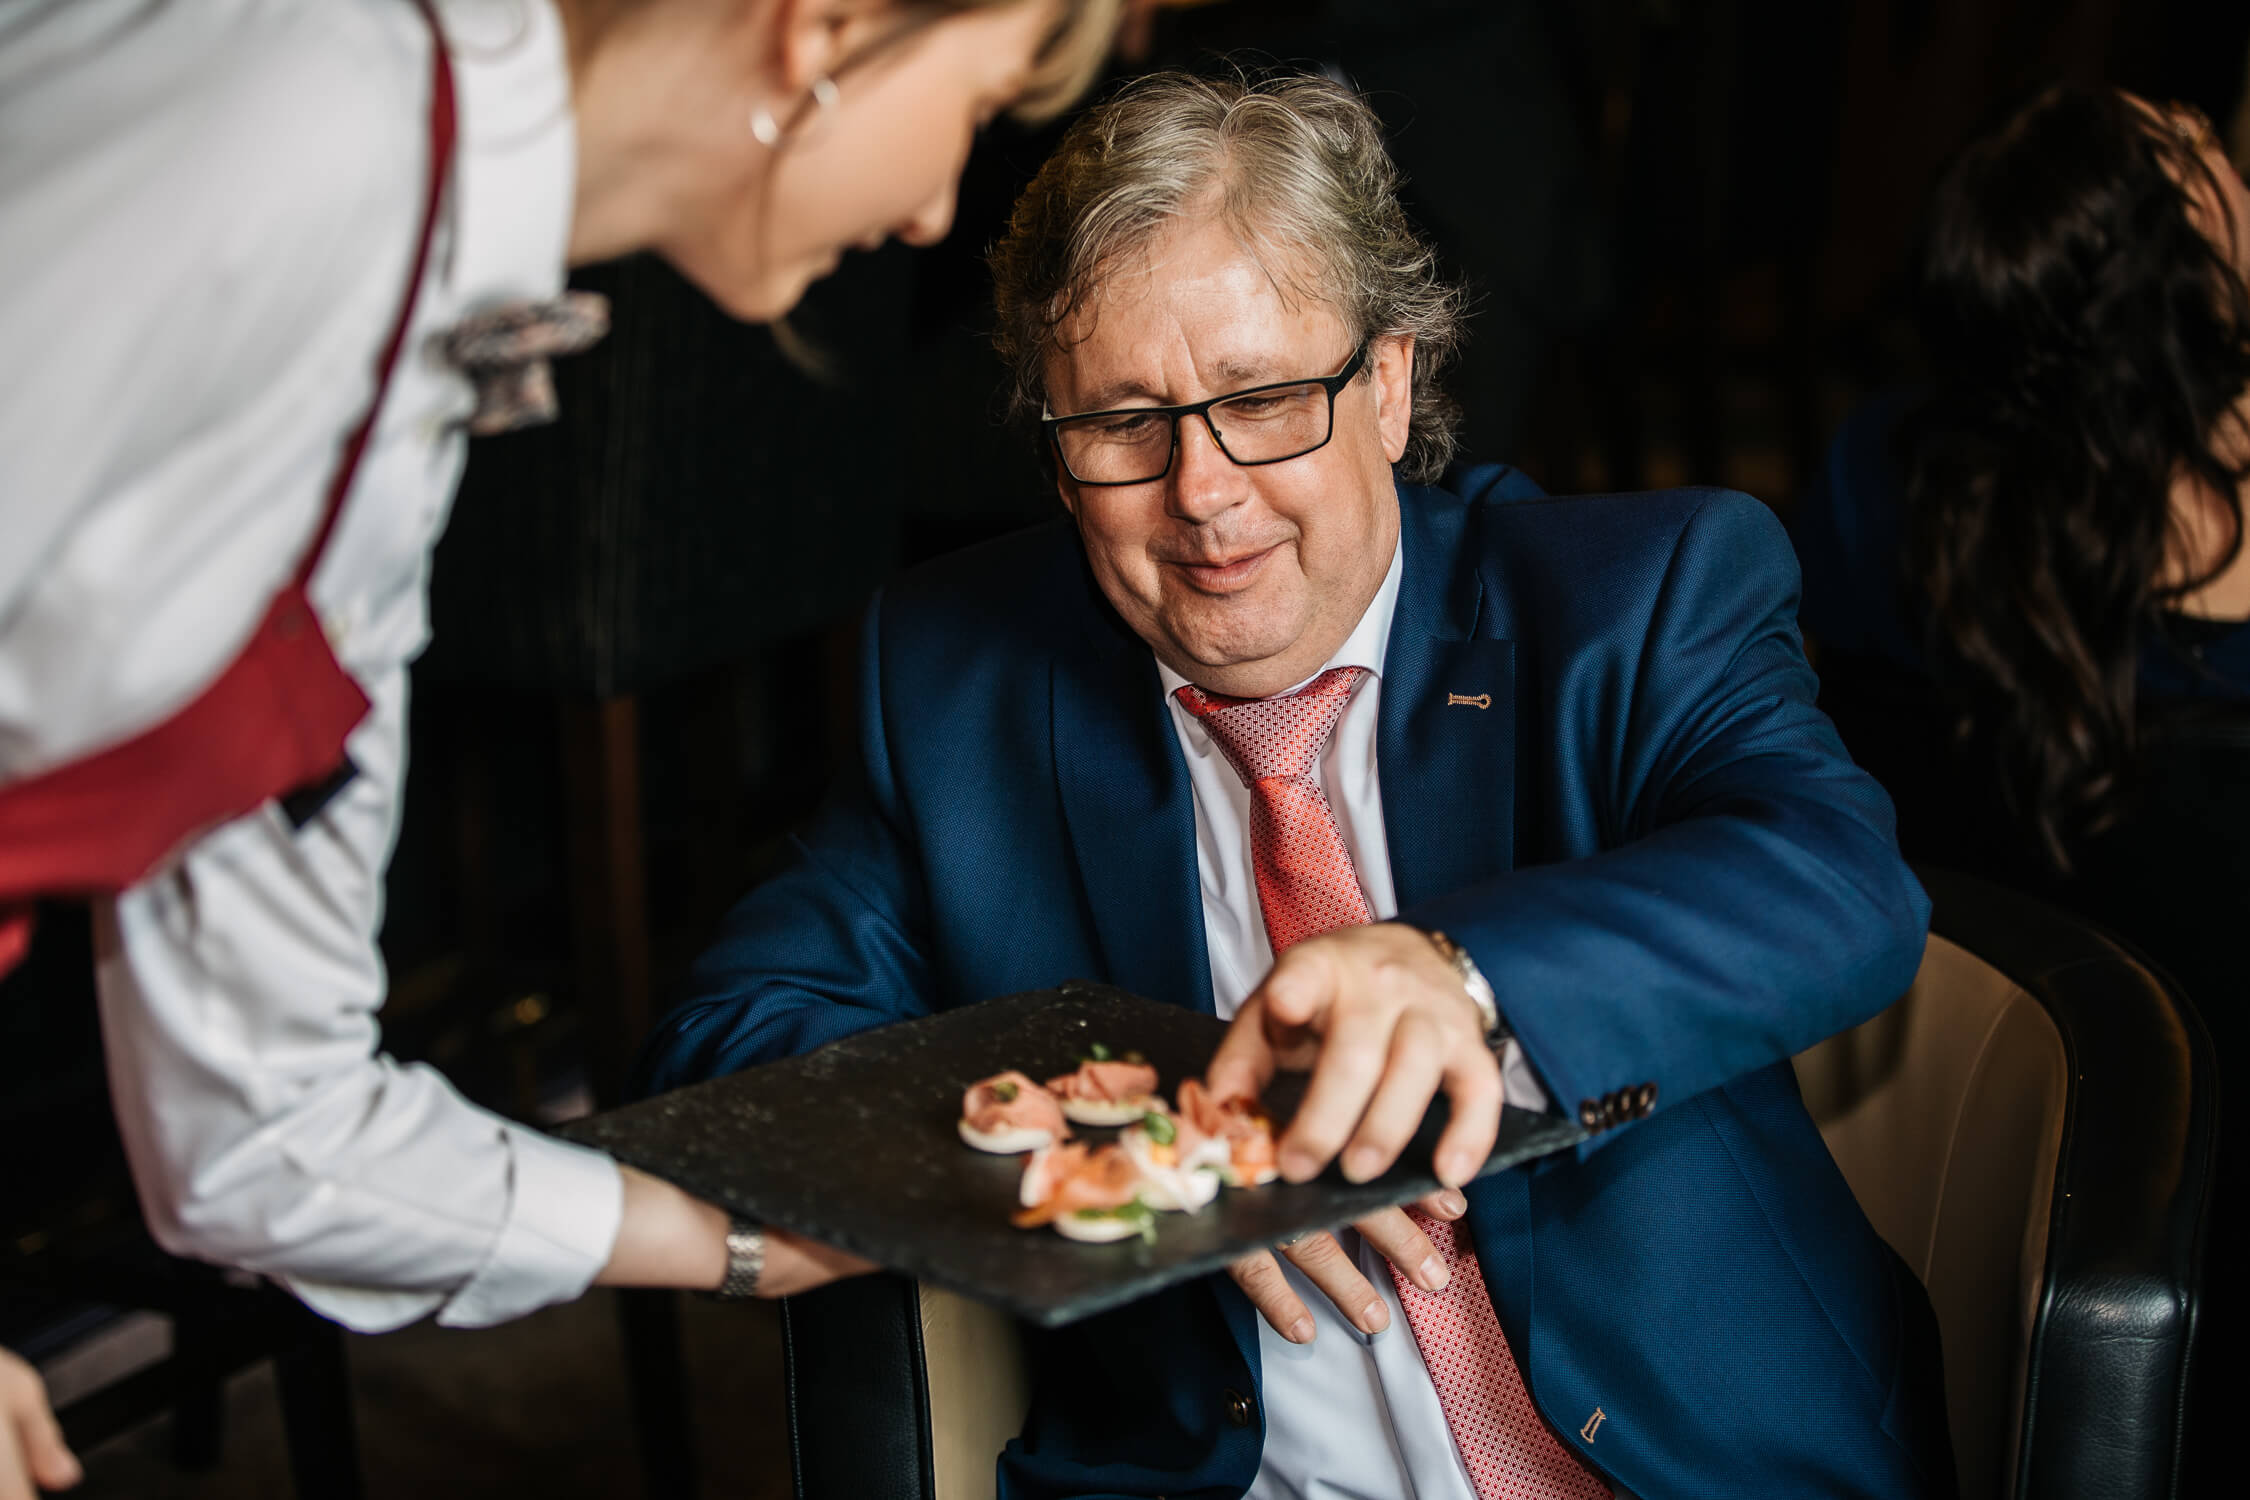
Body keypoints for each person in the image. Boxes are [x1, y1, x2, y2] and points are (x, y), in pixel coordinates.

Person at [643, 70, 1950, 1499]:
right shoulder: (961, 679)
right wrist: (1172, 1145)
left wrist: (1460, 980)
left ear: (1388, 383)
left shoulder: (1637, 598)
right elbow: (732, 1049)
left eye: (1263, 398)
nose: (1201, 492)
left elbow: (1833, 884)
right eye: (1120, 425)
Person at [0, 0, 1120, 1416]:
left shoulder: (425, 318)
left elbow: (265, 1129)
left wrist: (737, 1241)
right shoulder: (302, 108)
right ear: (822, 27)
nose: (931, 215)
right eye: (974, 107)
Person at [1790, 79, 2249, 1489]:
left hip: (1973, 1126)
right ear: (2177, 278)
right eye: (2199, 151)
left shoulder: (1881, 483)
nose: (2226, 149)